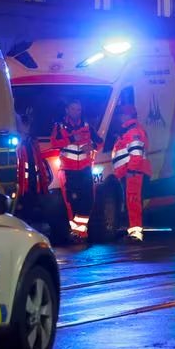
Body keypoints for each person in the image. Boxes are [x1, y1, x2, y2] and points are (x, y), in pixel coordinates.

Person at [49, 99, 100, 242]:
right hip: (68, 170)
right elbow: (54, 143)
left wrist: (93, 146)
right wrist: (71, 138)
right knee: (71, 202)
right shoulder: (60, 127)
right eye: (73, 109)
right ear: (67, 110)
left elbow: (100, 142)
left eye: (78, 110)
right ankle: (77, 233)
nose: (76, 112)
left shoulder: (87, 126)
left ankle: (79, 232)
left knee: (88, 200)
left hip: (85, 169)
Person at [112, 103, 152, 242]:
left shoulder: (133, 132)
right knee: (132, 202)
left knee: (133, 202)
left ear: (127, 115)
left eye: (122, 115)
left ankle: (135, 234)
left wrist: (131, 170)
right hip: (131, 173)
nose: (120, 118)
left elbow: (136, 154)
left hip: (133, 173)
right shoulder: (131, 131)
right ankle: (134, 231)